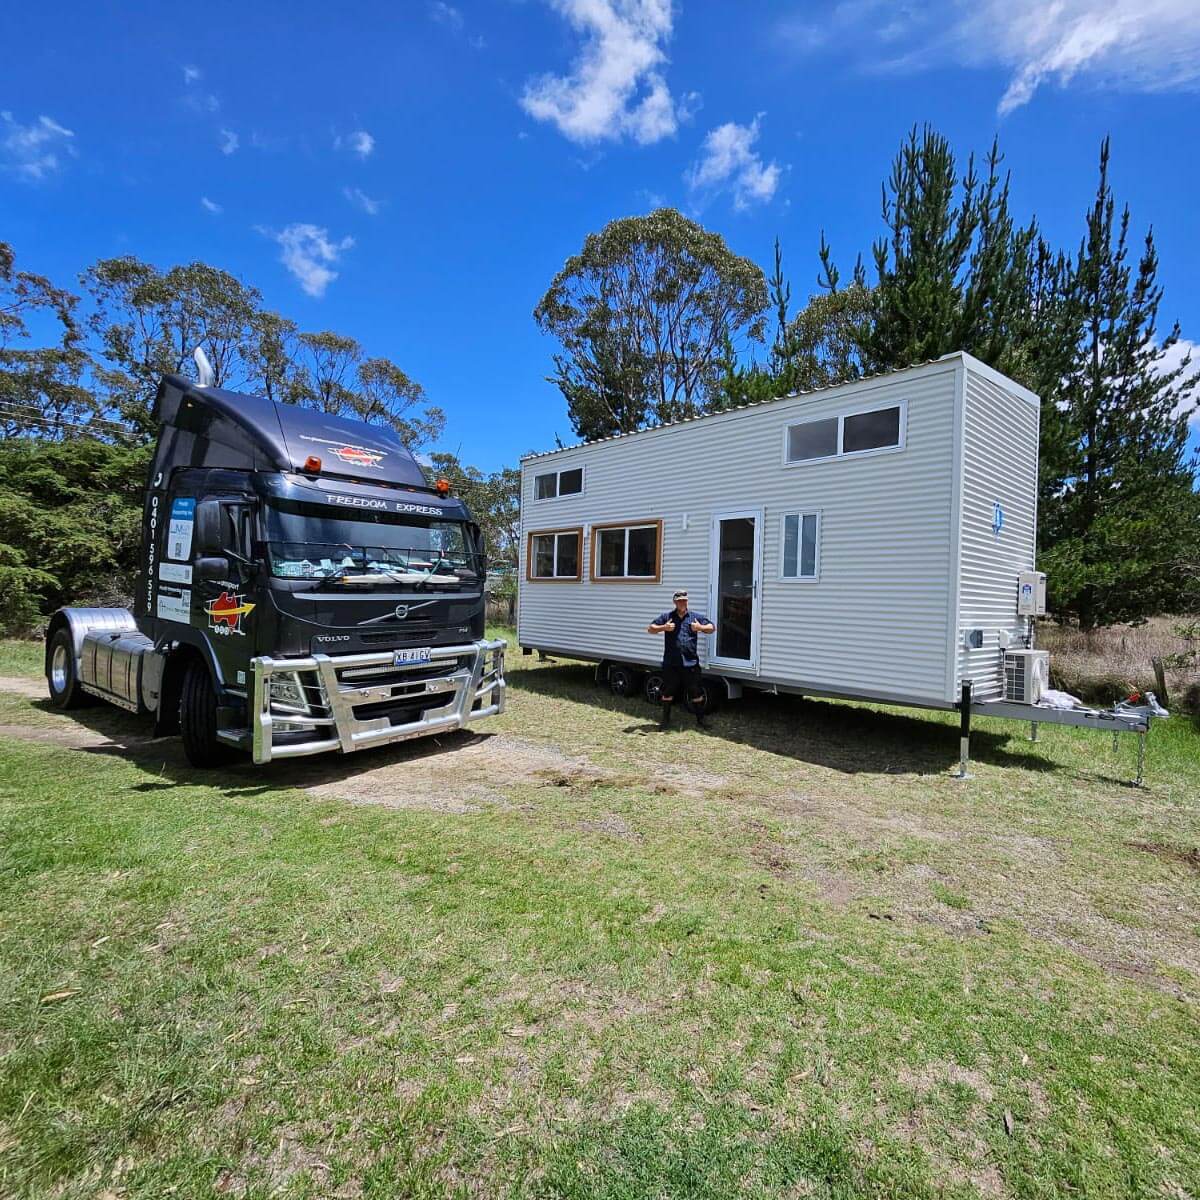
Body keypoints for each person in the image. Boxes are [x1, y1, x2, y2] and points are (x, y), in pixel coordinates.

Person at [647, 590, 716, 729]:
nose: (682, 603)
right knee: (668, 692)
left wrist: (700, 627)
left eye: (684, 600)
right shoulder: (668, 617)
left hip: (690, 663)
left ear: (687, 601)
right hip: (671, 663)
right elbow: (650, 628)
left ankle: (701, 721)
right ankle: (665, 721)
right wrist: (664, 627)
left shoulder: (694, 617)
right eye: (679, 601)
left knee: (695, 692)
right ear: (675, 602)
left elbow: (712, 628)